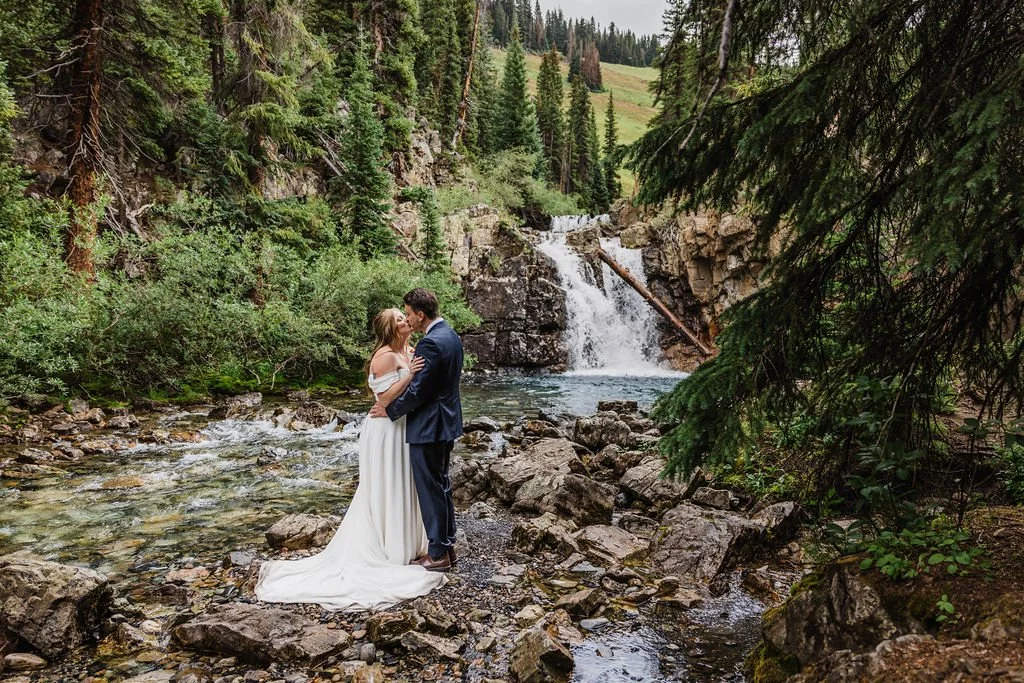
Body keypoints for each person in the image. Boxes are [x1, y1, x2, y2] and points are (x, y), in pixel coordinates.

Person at [254, 308, 446, 610]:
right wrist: (409, 374)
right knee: (386, 486)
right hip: (385, 429)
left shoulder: (410, 349)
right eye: (398, 318)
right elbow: (383, 401)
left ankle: (407, 542)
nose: (405, 320)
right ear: (389, 330)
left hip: (405, 427)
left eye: (404, 315)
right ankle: (387, 547)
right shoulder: (383, 357)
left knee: (405, 483)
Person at [369, 288, 464, 572]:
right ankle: (447, 546)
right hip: (445, 424)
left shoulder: (430, 344)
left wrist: (390, 410)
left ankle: (437, 554)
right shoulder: (450, 336)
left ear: (420, 315)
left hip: (428, 427)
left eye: (408, 314)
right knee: (442, 486)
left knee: (431, 489)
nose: (408, 319)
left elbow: (419, 392)